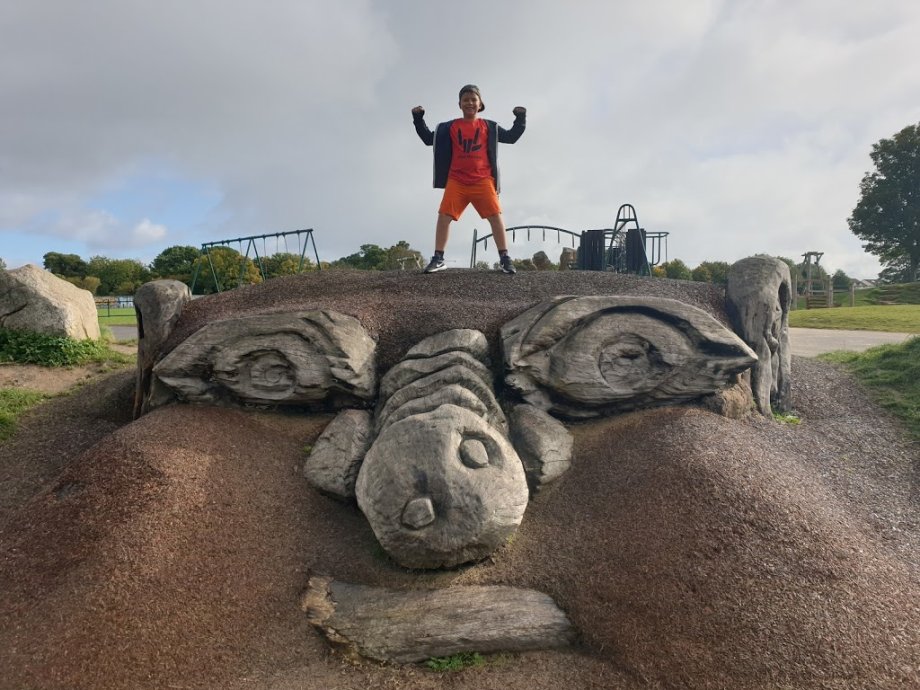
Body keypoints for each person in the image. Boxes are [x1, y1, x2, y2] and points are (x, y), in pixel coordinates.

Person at [412, 84, 526, 274]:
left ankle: (505, 259)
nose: (470, 103)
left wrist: (520, 118)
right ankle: (438, 258)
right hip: (457, 181)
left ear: (480, 104)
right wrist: (418, 119)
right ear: (460, 104)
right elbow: (427, 138)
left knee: (496, 217)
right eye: (466, 100)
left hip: (483, 180)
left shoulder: (489, 126)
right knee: (443, 216)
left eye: (474, 100)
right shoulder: (450, 127)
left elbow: (512, 137)